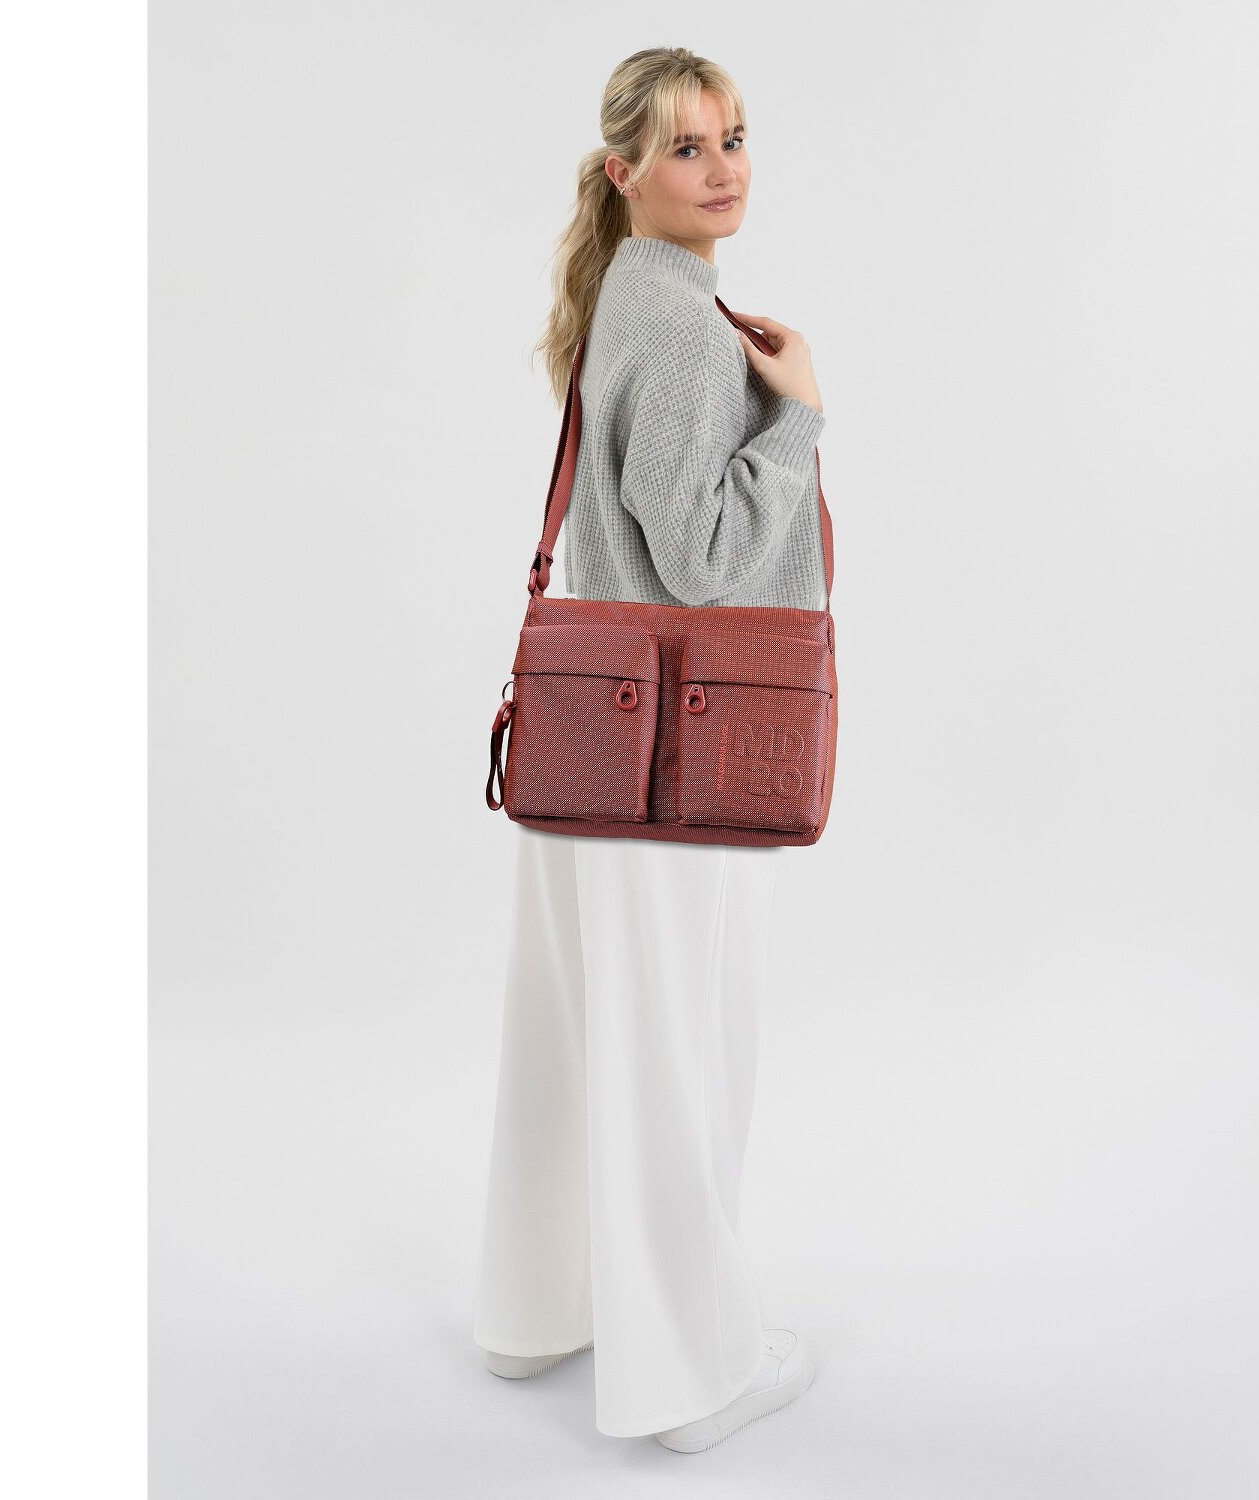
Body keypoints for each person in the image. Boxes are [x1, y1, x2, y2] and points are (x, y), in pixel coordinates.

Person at [471, 46, 827, 1454]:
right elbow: (704, 558)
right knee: (680, 1064)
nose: (724, 168)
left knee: (568, 1049)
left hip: (588, 748)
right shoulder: (683, 323)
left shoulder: (627, 291)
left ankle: (536, 1311)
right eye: (687, 147)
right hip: (678, 761)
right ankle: (693, 1383)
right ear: (625, 172)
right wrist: (797, 418)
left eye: (735, 137)